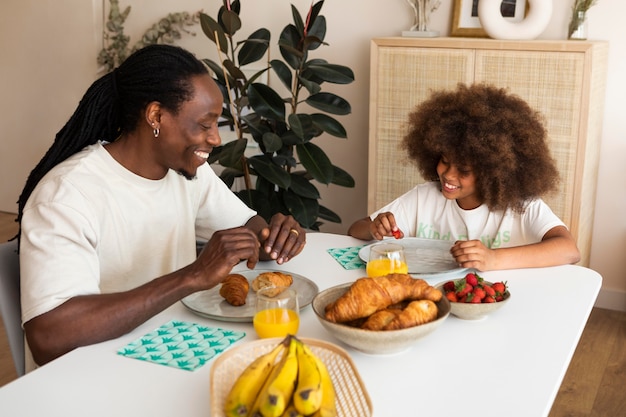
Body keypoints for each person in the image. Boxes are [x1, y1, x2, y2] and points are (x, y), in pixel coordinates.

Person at [16, 44, 306, 369]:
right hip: (93, 380)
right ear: (156, 116)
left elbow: (249, 231)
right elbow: (49, 338)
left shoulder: (186, 173)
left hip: (169, 356)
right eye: (204, 124)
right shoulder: (67, 194)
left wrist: (273, 238)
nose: (216, 139)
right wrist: (193, 275)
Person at [348, 83, 580, 271]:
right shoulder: (423, 198)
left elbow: (569, 250)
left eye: (464, 170)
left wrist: (494, 259)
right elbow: (355, 229)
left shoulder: (521, 206)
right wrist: (374, 229)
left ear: (493, 172)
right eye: (445, 161)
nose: (448, 174)